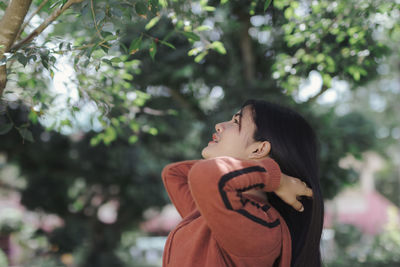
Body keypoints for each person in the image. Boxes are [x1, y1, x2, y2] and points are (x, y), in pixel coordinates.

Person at [161, 99, 324, 267]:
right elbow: (175, 175)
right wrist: (275, 180)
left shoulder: (261, 225)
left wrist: (276, 178)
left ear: (258, 150)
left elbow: (205, 175)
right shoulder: (216, 212)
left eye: (236, 122)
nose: (219, 125)